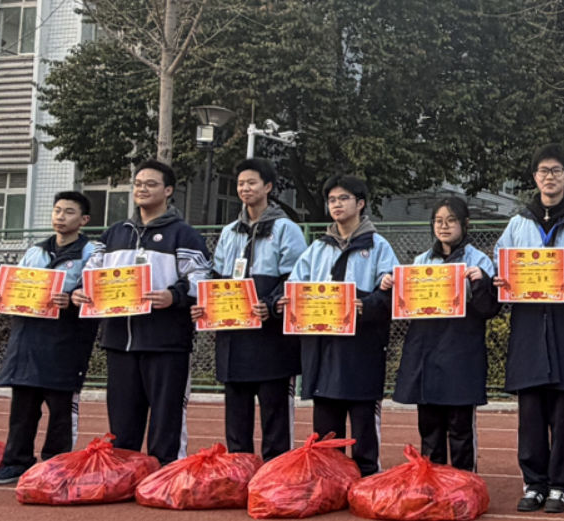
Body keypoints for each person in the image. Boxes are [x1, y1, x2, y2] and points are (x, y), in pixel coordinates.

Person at [493, 144, 564, 513]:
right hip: (529, 331)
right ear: (534, 177)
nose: (549, 177)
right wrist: (500, 280)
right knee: (529, 415)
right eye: (543, 171)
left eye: (556, 171)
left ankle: (560, 486)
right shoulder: (518, 223)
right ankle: (534, 484)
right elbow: (501, 265)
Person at [73, 161, 211, 466]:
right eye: (138, 183)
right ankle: (125, 473)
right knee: (122, 423)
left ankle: (164, 474)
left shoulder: (184, 234)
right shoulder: (114, 233)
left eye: (151, 184)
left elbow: (202, 278)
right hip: (118, 341)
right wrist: (81, 290)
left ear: (168, 190)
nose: (142, 189)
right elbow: (91, 272)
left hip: (166, 342)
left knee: (166, 418)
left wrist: (173, 295)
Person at [280, 175, 398, 476]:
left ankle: (367, 478)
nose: (337, 205)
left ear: (360, 204)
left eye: (344, 198)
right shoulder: (317, 248)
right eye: (332, 200)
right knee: (325, 428)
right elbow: (295, 285)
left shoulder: (379, 246)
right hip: (322, 347)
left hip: (361, 348)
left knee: (363, 422)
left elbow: (391, 293)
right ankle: (330, 481)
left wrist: (366, 305)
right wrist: (288, 302)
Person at [190, 159, 306, 461]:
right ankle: (238, 468)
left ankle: (275, 472)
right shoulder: (230, 231)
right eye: (241, 183)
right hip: (234, 336)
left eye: (251, 183)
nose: (245, 188)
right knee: (236, 414)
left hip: (272, 340)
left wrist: (270, 305)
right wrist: (206, 306)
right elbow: (217, 278)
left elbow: (296, 278)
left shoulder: (287, 228)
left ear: (267, 187)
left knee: (275, 413)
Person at [0, 193, 99, 484]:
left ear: (84, 220)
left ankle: (55, 466)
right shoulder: (35, 252)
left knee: (61, 411)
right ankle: (16, 462)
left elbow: (97, 296)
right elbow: (15, 290)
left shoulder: (92, 253)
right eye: (57, 210)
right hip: (27, 341)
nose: (60, 216)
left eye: (69, 212)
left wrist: (71, 300)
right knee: (22, 409)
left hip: (66, 343)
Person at [392, 197, 501, 473]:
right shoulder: (421, 261)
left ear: (465, 224)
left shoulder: (479, 260)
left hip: (462, 353)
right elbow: (407, 307)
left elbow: (488, 309)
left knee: (461, 428)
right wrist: (393, 287)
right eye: (438, 221)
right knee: (429, 428)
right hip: (426, 353)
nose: (444, 226)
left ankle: (465, 485)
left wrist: (481, 282)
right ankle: (433, 485)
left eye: (451, 221)